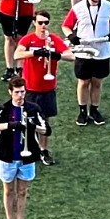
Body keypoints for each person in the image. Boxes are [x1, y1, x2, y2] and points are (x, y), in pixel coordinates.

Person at [0, 77, 47, 219]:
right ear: (10, 92)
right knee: (8, 190)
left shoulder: (33, 109)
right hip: (7, 156)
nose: (20, 95)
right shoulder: (4, 109)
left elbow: (46, 130)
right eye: (17, 92)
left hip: (27, 158)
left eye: (23, 91)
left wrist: (31, 125)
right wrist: (10, 125)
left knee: (22, 191)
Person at [14, 11, 75, 166]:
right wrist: (35, 52)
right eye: (40, 22)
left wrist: (57, 55)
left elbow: (71, 55)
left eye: (46, 22)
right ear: (34, 22)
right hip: (31, 89)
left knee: (45, 121)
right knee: (27, 120)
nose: (43, 26)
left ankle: (43, 149)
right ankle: (27, 148)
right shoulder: (29, 39)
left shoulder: (53, 40)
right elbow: (17, 54)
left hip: (47, 88)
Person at [63, 0, 110, 126]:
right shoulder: (78, 8)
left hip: (102, 51)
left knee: (97, 82)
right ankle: (83, 111)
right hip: (84, 51)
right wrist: (71, 36)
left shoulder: (108, 7)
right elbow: (66, 26)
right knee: (83, 82)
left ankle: (95, 109)